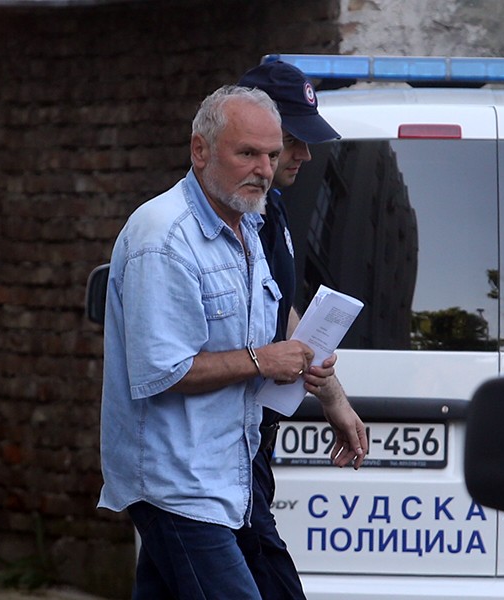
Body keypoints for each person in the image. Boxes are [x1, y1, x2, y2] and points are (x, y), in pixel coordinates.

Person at [97, 84, 367, 600]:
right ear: (200, 150)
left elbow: (267, 328)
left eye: (271, 155)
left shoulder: (246, 223)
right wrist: (262, 360)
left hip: (227, 482)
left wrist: (313, 375)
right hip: (179, 488)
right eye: (247, 154)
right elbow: (162, 371)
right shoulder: (164, 237)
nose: (264, 169)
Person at [231, 62, 355, 599]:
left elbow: (281, 312)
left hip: (253, 440)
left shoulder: (271, 211)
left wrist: (333, 394)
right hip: (222, 450)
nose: (303, 154)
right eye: (292, 140)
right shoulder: (227, 216)